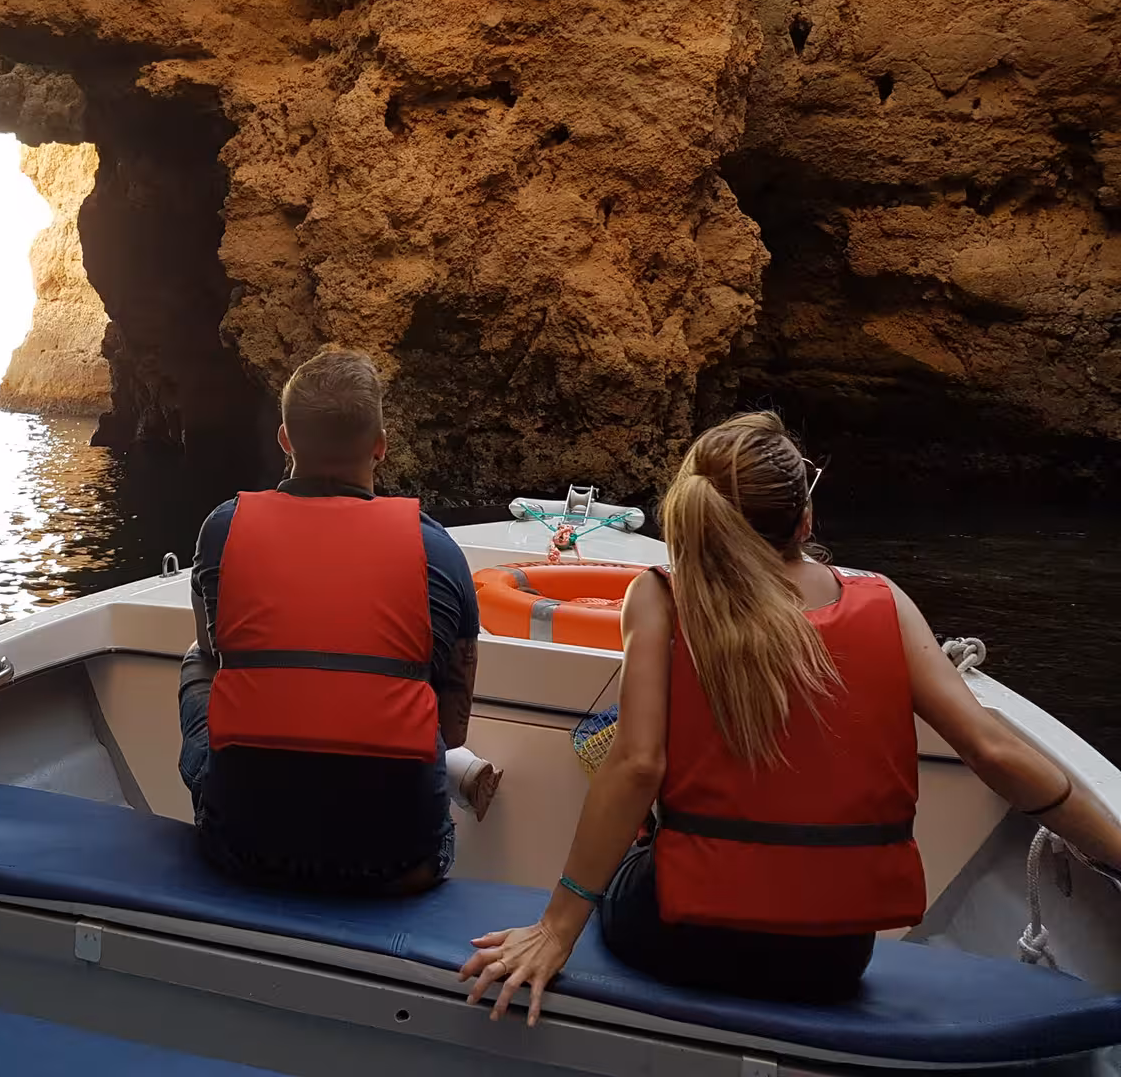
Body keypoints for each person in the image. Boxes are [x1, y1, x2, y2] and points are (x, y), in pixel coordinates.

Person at [462, 411, 1121, 1023]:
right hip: (829, 959)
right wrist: (1114, 853)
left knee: (637, 823)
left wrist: (557, 928)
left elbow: (638, 766)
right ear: (804, 521)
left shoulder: (661, 598)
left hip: (680, 937)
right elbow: (993, 752)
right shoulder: (884, 604)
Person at [177, 348, 500, 896]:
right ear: (379, 446)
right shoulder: (437, 552)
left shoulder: (223, 530)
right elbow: (451, 729)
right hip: (402, 863)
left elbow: (217, 647)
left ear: (285, 439)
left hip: (241, 849)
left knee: (199, 657)